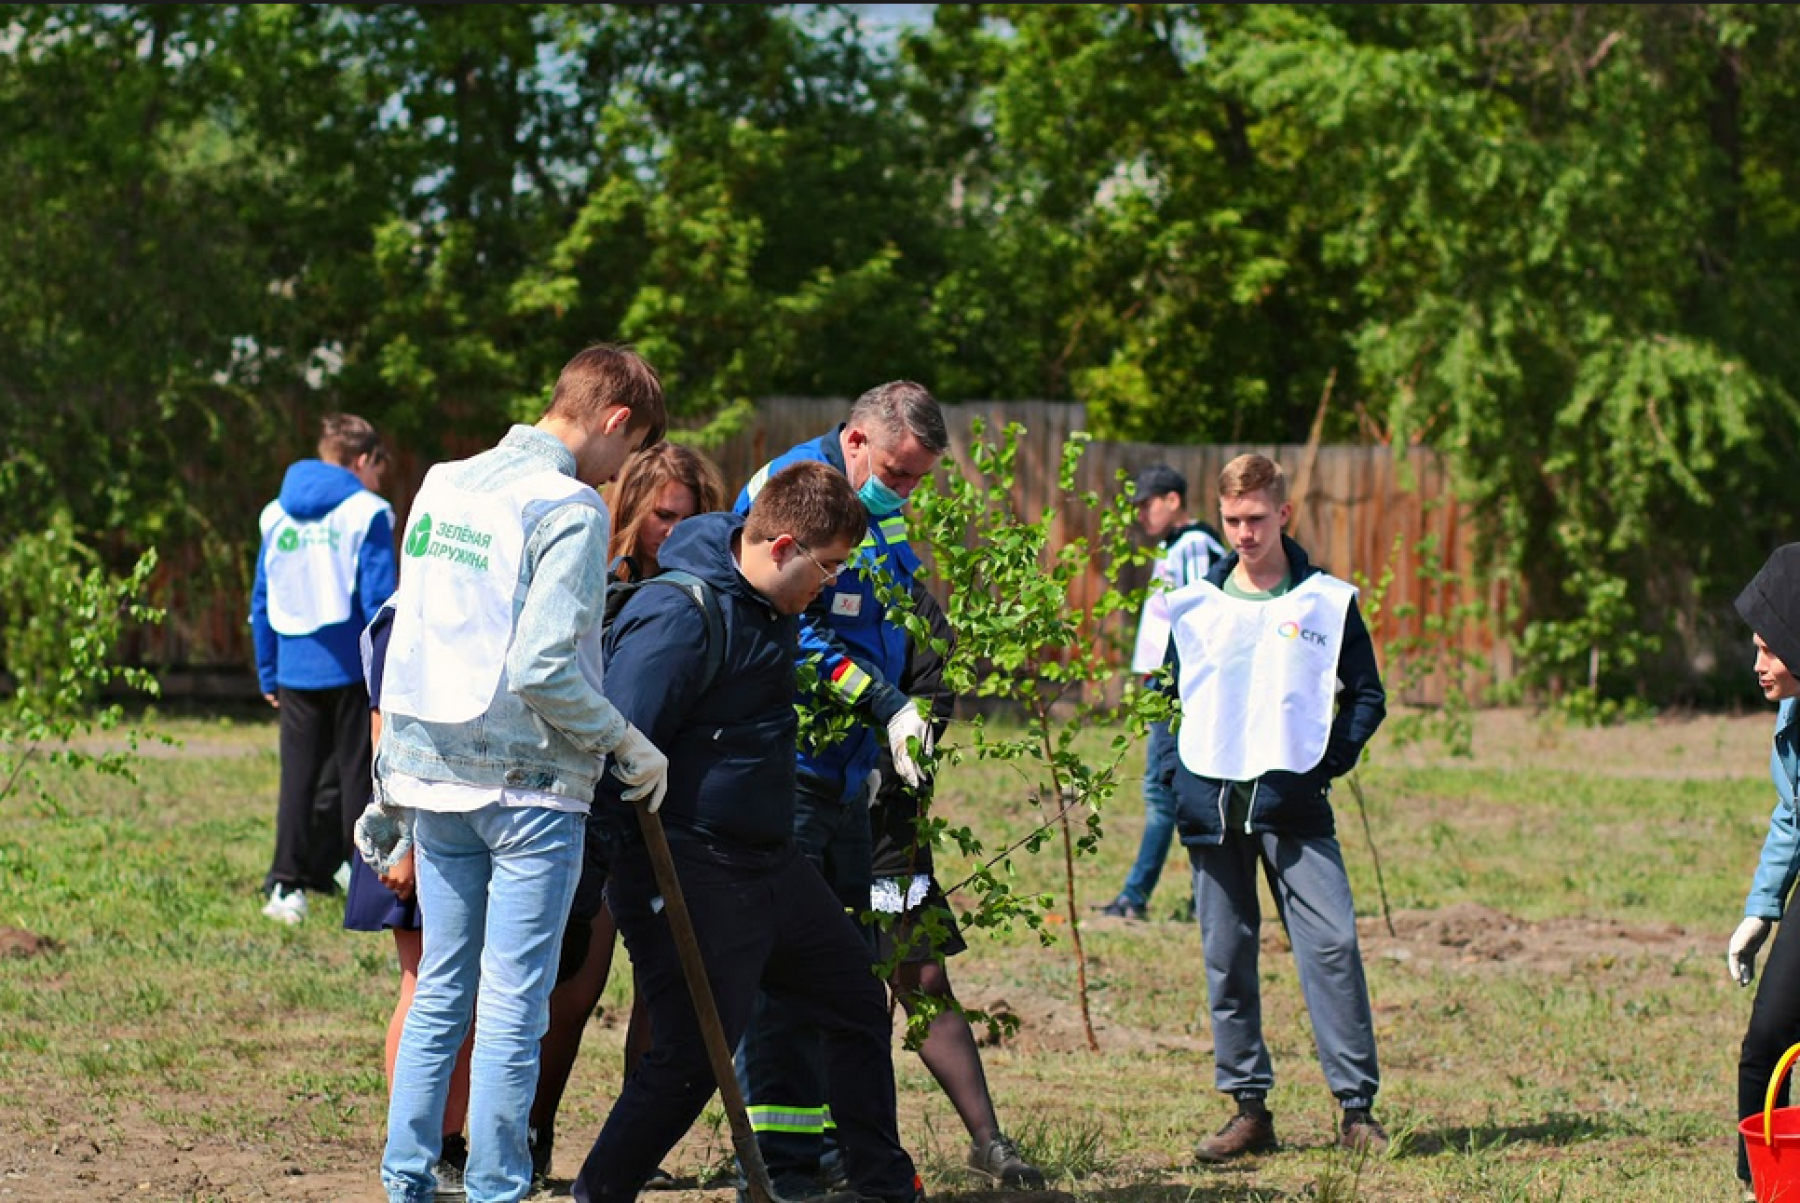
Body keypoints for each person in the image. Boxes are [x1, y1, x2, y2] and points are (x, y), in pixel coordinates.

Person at [570, 461, 922, 1203]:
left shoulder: (773, 603)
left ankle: (885, 1188)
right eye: (825, 567)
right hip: (687, 866)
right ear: (784, 543)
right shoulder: (681, 615)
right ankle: (599, 1192)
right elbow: (613, 748)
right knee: (693, 1058)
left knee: (856, 1000)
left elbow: (814, 666)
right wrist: (584, 888)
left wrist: (888, 704)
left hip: (770, 864)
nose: (829, 584)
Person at [375, 343, 669, 1203]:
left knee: (440, 990)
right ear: (613, 420)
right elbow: (544, 665)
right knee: (513, 1005)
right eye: (631, 449)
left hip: (436, 779)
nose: (622, 472)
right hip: (530, 790)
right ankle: (497, 1189)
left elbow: (410, 631)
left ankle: (406, 1183)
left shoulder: (444, 482)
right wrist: (624, 738)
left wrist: (390, 781)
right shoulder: (569, 507)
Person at [731, 381, 949, 1197]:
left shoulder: (875, 509)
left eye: (920, 479)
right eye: (897, 469)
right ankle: (779, 1162)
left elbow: (895, 611)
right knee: (786, 977)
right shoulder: (793, 489)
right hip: (790, 771)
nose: (904, 489)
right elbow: (794, 629)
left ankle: (829, 1147)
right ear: (857, 440)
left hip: (848, 774)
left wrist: (920, 692)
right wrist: (884, 700)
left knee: (846, 970)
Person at [1158, 452, 1388, 1162]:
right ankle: (1248, 1108)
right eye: (1232, 520)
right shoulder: (1195, 603)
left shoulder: (1326, 601)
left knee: (1333, 946)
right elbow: (1172, 696)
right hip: (1210, 807)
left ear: (1283, 513)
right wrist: (1175, 778)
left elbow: (1367, 696)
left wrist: (1321, 765)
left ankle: (1356, 1108)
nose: (1243, 533)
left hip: (1295, 810)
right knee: (1227, 956)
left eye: (1256, 518)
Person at [528, 442, 729, 1191]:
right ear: (634, 513)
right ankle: (531, 1131)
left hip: (684, 808)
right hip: (599, 804)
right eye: (662, 517)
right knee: (574, 986)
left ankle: (633, 1149)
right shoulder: (599, 586)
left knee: (665, 989)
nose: (674, 534)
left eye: (690, 518)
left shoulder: (719, 599)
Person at [864, 580, 1046, 1189]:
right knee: (827, 986)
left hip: (890, 819)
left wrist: (905, 746)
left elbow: (933, 669)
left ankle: (987, 1141)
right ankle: (809, 1149)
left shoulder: (892, 573)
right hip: (808, 813)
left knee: (921, 971)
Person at [343, 600, 474, 1198]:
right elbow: (385, 733)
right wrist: (405, 842)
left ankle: (449, 1145)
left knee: (466, 993)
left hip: (469, 818)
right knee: (423, 982)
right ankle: (418, 1147)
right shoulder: (406, 612)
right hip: (417, 823)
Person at [251, 413, 398, 924]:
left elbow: (262, 597)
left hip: (293, 665)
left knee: (300, 779)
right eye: (380, 466)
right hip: (352, 667)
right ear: (361, 460)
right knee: (360, 775)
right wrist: (388, 675)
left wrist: (267, 669)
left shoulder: (275, 513)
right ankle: (362, 877)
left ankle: (287, 885)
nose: (382, 478)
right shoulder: (369, 512)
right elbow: (380, 604)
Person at [1097, 463, 1227, 922]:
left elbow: (1198, 619)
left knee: (1167, 793)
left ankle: (1139, 897)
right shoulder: (1178, 546)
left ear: (1173, 500)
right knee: (1181, 793)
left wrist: (1176, 687)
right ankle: (1194, 898)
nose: (1141, 516)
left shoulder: (1192, 547)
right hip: (1167, 684)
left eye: (1147, 505)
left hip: (1179, 688)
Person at [1728, 542, 1800, 1202]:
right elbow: (1792, 815)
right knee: (1768, 1040)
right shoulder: (1794, 711)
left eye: (1769, 648)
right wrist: (1762, 907)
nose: (1758, 664)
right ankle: (1763, 1187)